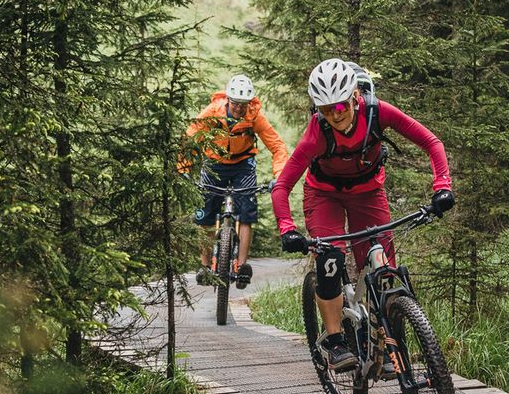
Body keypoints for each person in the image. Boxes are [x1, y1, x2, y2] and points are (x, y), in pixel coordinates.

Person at [272, 58, 455, 373]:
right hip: (324, 194)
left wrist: (442, 187)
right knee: (330, 260)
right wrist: (287, 228)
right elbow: (282, 186)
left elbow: (431, 142)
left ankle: (384, 344)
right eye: (325, 110)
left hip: (368, 193)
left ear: (355, 96)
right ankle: (334, 341)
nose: (335, 116)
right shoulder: (317, 132)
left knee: (383, 268)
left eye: (340, 107)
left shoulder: (378, 112)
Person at [182, 74, 290, 289]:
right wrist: (184, 168)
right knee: (205, 214)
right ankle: (204, 267)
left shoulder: (254, 116)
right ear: (228, 100)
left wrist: (279, 176)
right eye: (236, 103)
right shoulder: (213, 112)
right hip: (214, 162)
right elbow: (191, 136)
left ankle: (242, 267)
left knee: (247, 211)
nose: (240, 108)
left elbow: (277, 146)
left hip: (243, 164)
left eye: (244, 104)